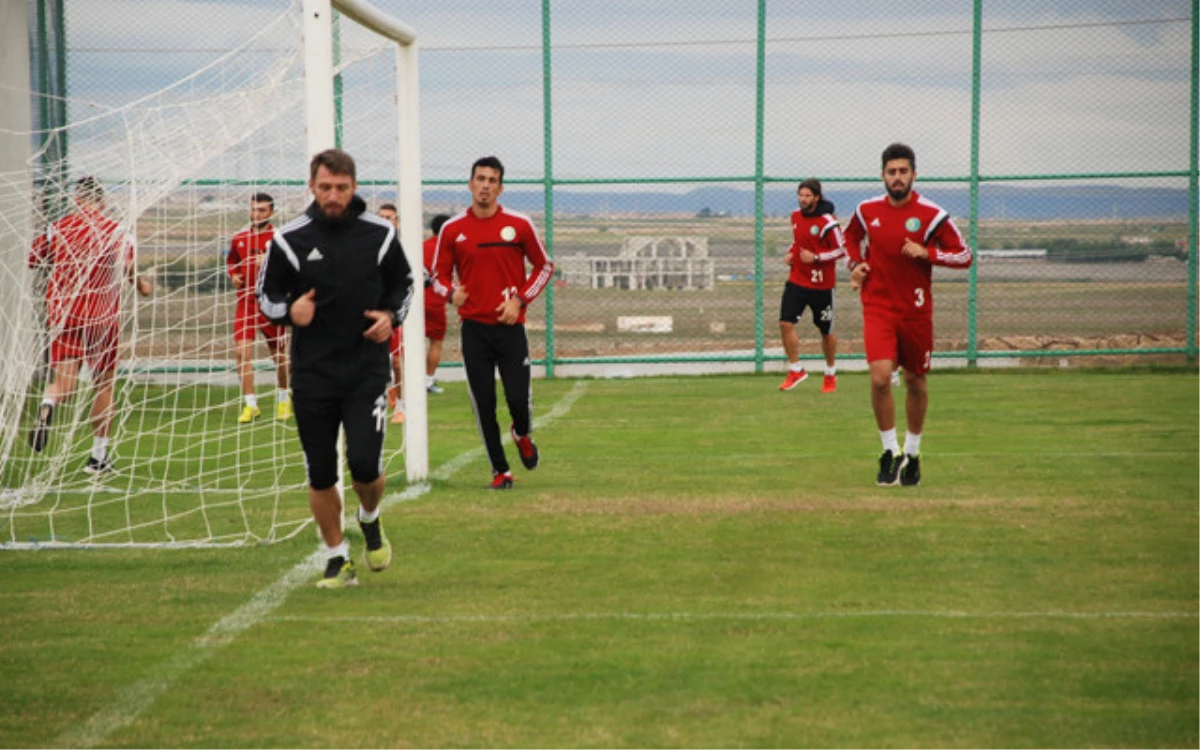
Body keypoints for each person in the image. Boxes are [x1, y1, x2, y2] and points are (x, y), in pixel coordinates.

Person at [258, 149, 414, 588]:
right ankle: (336, 557)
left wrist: (390, 317)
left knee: (365, 465)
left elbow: (404, 285)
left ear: (354, 187)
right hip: (312, 374)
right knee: (321, 470)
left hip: (365, 370)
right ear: (311, 186)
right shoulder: (288, 239)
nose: (332, 196)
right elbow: (265, 299)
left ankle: (370, 517)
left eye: (341, 188)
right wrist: (292, 312)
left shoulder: (380, 234)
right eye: (325, 187)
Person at [843, 143, 973, 487]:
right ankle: (890, 451)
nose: (897, 178)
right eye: (891, 172)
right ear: (883, 175)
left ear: (914, 174)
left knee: (915, 381)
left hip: (916, 311)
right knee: (881, 378)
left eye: (903, 171)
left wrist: (928, 253)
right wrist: (855, 265)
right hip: (878, 306)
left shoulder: (932, 215)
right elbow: (850, 238)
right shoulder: (866, 209)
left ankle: (913, 453)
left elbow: (964, 255)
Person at [430, 156, 554, 490]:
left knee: (518, 401)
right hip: (474, 331)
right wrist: (450, 293)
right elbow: (437, 277)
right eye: (480, 178)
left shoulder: (520, 224)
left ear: (500, 187)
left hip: (510, 330)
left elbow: (544, 267)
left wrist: (519, 301)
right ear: (470, 184)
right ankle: (500, 471)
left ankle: (522, 433)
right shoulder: (452, 229)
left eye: (492, 180)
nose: (485, 185)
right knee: (483, 404)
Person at [27, 176, 153, 472]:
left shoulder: (57, 228)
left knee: (64, 383)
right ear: (103, 201)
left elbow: (34, 260)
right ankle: (98, 458)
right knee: (104, 384)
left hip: (64, 315)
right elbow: (127, 269)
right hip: (101, 318)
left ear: (77, 200)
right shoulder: (117, 231)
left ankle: (49, 405)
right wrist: (143, 286)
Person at [226, 192, 290, 423]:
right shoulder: (239, 238)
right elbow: (232, 260)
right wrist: (234, 275)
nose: (256, 214)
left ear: (271, 212)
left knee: (280, 355)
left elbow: (291, 269)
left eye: (261, 210)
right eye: (253, 209)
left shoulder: (280, 238)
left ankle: (284, 398)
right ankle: (250, 404)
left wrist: (269, 263)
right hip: (246, 302)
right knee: (242, 352)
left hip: (271, 302)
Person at [778, 178, 845, 393]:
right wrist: (791, 252)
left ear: (816, 197)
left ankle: (830, 373)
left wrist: (816, 257)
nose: (803, 199)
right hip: (797, 280)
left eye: (807, 196)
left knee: (826, 332)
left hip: (822, 286)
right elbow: (799, 240)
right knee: (785, 323)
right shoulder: (796, 217)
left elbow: (841, 250)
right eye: (800, 195)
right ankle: (796, 369)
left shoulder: (828, 222)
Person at [378, 202, 405, 424]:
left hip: (397, 314)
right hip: (374, 313)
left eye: (390, 217)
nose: (386, 221)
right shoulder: (370, 245)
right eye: (382, 217)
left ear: (397, 221)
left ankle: (401, 406)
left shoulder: (404, 247)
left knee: (397, 362)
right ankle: (381, 400)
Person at [422, 213, 452, 395]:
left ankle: (404, 380)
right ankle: (427, 380)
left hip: (416, 300)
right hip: (435, 301)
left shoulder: (421, 247)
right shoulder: (446, 248)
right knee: (436, 342)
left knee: (409, 342)